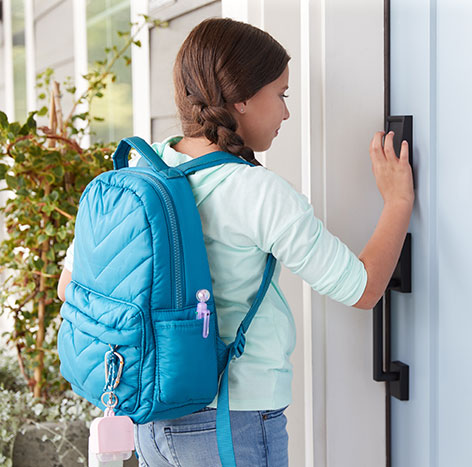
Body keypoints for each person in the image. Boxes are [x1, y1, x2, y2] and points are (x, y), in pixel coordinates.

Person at [57, 17, 413, 467]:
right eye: (281, 94)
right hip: (229, 423)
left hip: (147, 420)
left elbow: (67, 286)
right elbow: (362, 289)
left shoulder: (137, 172)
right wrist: (398, 200)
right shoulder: (258, 193)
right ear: (242, 98)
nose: (286, 112)